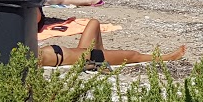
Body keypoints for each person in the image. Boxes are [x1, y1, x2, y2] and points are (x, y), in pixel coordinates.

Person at [36, 17, 185, 67]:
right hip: (90, 58)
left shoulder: (24, 49)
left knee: (94, 23)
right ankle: (167, 57)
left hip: (81, 51)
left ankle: (105, 54)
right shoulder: (31, 59)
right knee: (133, 55)